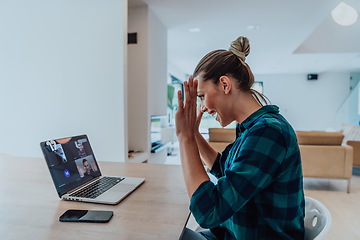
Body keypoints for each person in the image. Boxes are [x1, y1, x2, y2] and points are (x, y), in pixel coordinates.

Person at [176, 36, 305, 240]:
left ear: (225, 84)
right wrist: (193, 134)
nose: (202, 107)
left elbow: (209, 212)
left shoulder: (269, 132)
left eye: (201, 96)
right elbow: (222, 168)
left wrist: (185, 139)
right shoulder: (252, 127)